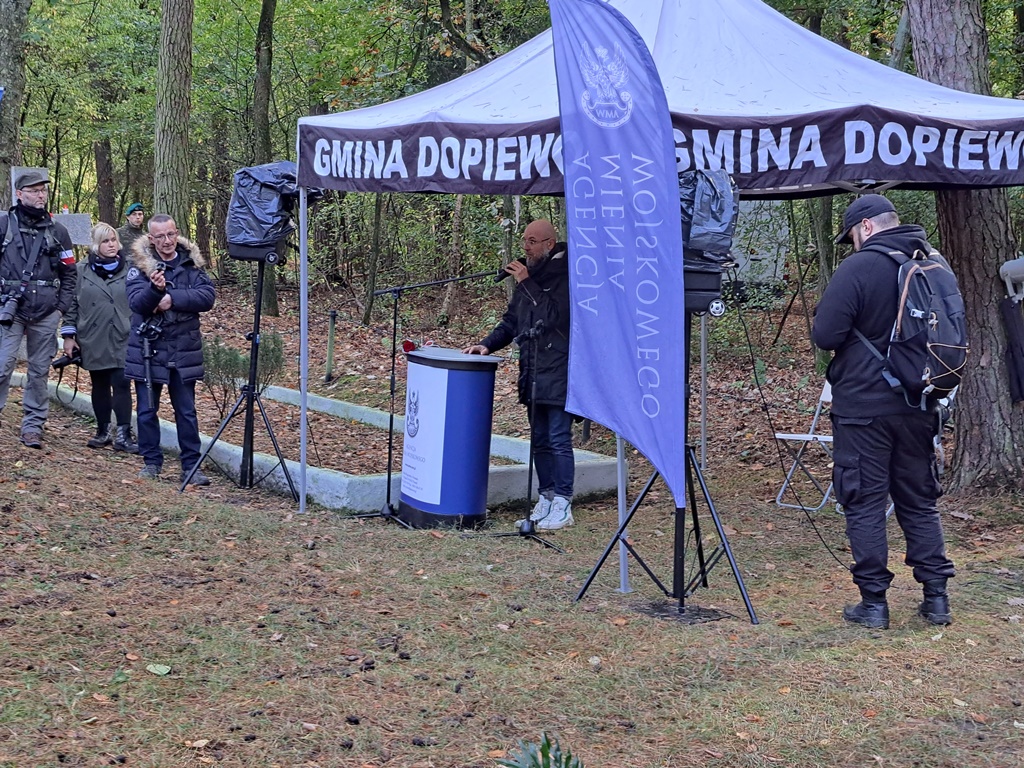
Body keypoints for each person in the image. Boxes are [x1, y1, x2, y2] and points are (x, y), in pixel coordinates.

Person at [811, 194, 956, 630]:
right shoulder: (934, 264)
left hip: (863, 408)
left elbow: (826, 335)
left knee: (865, 501)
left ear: (867, 227)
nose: (852, 243)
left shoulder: (859, 267)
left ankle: (873, 604)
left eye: (852, 235)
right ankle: (936, 599)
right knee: (919, 500)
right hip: (921, 402)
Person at [463, 219, 575, 530]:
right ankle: (546, 497)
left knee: (558, 438)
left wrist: (525, 281)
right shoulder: (531, 277)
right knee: (539, 439)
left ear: (549, 244)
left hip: (561, 368)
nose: (525, 247)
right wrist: (487, 344)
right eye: (524, 240)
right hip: (533, 368)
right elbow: (512, 322)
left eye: (532, 241)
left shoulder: (567, 273)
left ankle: (563, 502)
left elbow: (554, 316)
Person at [125, 214, 216, 485]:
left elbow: (207, 296)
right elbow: (137, 303)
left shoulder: (192, 263)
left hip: (183, 348)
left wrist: (170, 298)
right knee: (146, 410)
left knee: (186, 411)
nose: (167, 241)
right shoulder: (139, 265)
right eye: (160, 236)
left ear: (177, 233)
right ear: (151, 239)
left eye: (171, 234)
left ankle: (191, 466)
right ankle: (151, 463)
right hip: (148, 348)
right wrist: (155, 291)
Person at [0, 169, 77, 449]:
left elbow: (70, 274)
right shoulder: (4, 225)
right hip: (10, 309)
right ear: (20, 194)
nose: (40, 195)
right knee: (3, 364)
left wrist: (60, 309)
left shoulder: (58, 231)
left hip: (46, 311)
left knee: (39, 371)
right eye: (34, 191)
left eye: (43, 190)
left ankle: (33, 426)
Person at [60, 223, 138, 453]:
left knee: (122, 383)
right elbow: (71, 305)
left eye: (113, 240)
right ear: (95, 245)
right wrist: (68, 336)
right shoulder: (81, 270)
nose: (111, 245)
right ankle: (103, 430)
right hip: (93, 336)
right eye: (105, 241)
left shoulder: (131, 268)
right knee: (100, 384)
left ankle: (124, 434)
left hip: (124, 334)